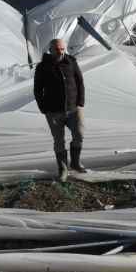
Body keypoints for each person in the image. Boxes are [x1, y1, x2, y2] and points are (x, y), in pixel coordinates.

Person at [33, 39, 86, 179]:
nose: (60, 52)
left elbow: (79, 81)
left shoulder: (71, 62)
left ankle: (75, 163)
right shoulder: (43, 67)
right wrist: (44, 108)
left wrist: (80, 101)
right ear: (50, 50)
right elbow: (38, 90)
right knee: (59, 140)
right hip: (54, 111)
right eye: (57, 49)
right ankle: (62, 169)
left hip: (73, 109)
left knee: (79, 135)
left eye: (62, 49)